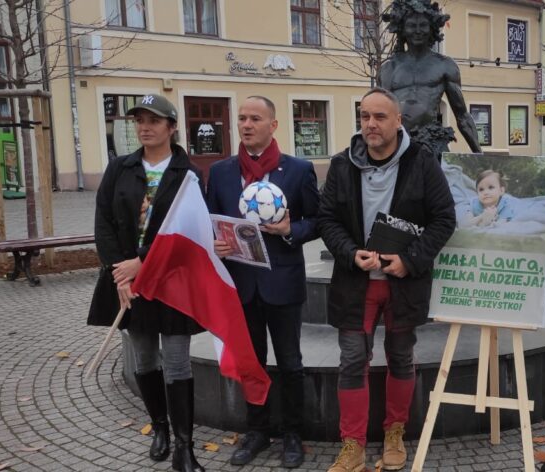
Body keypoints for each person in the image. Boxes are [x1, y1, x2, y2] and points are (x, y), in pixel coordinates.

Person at [317, 87, 456, 472]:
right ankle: (353, 444)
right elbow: (326, 218)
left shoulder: (422, 163)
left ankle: (394, 432)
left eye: (380, 117)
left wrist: (409, 261)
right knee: (351, 361)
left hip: (401, 283)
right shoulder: (342, 164)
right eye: (364, 116)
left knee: (401, 357)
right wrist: (349, 252)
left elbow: (444, 219)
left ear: (398, 121)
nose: (371, 124)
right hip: (355, 282)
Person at [88, 93, 206, 472]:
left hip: (171, 280)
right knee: (144, 357)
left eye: (154, 121)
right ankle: (159, 428)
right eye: (139, 120)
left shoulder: (188, 175)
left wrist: (143, 262)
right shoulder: (119, 168)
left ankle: (184, 447)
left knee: (176, 362)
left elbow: (187, 230)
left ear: (172, 128)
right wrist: (118, 271)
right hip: (127, 280)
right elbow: (103, 222)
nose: (145, 127)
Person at [206, 96, 320, 468]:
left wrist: (291, 230)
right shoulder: (221, 172)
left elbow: (317, 222)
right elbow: (211, 220)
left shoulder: (298, 170)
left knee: (290, 362)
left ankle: (292, 434)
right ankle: (257, 431)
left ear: (273, 125)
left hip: (282, 284)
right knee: (250, 361)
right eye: (241, 118)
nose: (246, 124)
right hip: (241, 285)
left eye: (255, 118)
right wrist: (217, 244)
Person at [378, 0, 482, 157]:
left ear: (432, 28)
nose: (418, 30)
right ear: (403, 29)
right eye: (412, 25)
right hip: (397, 146)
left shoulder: (445, 65)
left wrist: (480, 155)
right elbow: (379, 115)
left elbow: (462, 115)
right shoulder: (388, 68)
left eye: (423, 25)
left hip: (432, 143)